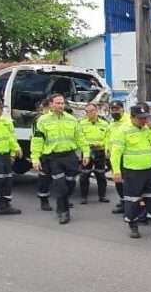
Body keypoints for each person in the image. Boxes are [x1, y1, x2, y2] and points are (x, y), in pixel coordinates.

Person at [30, 93, 89, 224]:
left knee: (70, 184)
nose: (61, 106)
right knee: (60, 186)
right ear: (51, 104)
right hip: (53, 158)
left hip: (70, 156)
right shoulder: (43, 120)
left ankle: (61, 203)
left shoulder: (72, 119)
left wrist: (86, 153)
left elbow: (80, 138)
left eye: (62, 103)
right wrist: (35, 158)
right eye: (58, 103)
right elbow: (37, 141)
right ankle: (63, 212)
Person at [111, 104, 151, 238]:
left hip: (150, 170)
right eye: (140, 118)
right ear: (132, 118)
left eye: (145, 118)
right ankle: (133, 226)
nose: (143, 120)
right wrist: (116, 171)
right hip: (132, 172)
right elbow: (115, 153)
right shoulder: (123, 131)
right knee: (132, 200)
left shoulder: (148, 128)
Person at [78, 102, 111, 205]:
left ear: (96, 111)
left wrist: (101, 144)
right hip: (87, 152)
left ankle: (102, 196)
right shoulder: (81, 123)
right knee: (84, 175)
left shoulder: (104, 124)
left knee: (100, 175)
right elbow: (80, 138)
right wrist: (89, 144)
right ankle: (84, 197)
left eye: (92, 111)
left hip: (100, 151)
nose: (90, 113)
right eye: (87, 111)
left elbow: (108, 138)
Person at [105, 99, 129, 215]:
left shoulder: (129, 121)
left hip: (127, 157)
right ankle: (123, 201)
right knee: (118, 180)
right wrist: (107, 149)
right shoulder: (111, 123)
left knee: (127, 182)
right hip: (115, 158)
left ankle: (129, 205)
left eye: (117, 109)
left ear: (122, 109)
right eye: (112, 109)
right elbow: (108, 138)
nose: (114, 111)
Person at [30, 99, 54, 211]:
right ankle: (44, 200)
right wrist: (36, 156)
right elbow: (36, 137)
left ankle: (63, 200)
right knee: (45, 178)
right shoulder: (39, 119)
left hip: (55, 153)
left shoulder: (55, 119)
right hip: (44, 152)